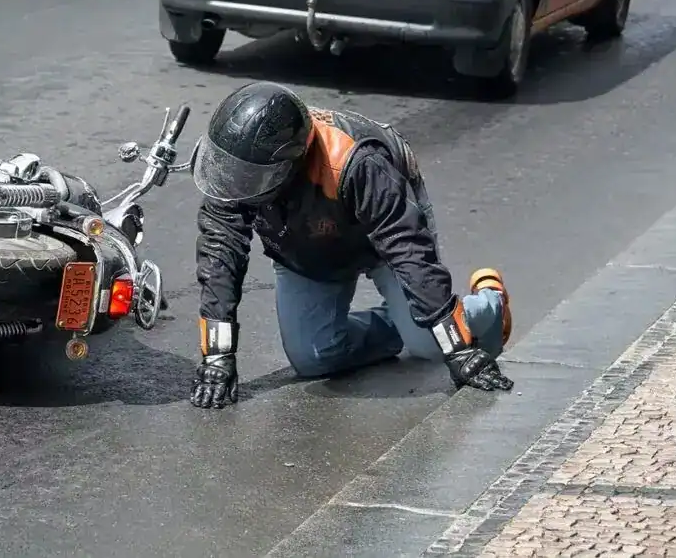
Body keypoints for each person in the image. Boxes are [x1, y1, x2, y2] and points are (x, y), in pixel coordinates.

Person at [188, 82, 514, 409]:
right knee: (313, 358)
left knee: (430, 345)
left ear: (290, 165)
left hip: (384, 238)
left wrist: (458, 348)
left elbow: (409, 251)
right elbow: (219, 255)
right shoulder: (234, 171)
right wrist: (217, 355)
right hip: (305, 244)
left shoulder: (360, 163)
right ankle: (405, 320)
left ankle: (490, 305)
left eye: (248, 177)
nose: (236, 183)